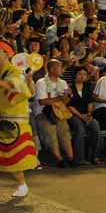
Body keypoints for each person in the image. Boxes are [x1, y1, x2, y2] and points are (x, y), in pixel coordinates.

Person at [0, 41, 37, 197]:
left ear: (6, 54)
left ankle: (22, 185)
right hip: (3, 117)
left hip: (13, 121)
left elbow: (17, 86)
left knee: (13, 158)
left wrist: (4, 84)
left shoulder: (14, 71)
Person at [33, 59, 74, 167]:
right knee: (50, 133)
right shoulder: (41, 82)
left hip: (59, 112)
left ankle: (70, 158)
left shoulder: (63, 83)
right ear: (51, 69)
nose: (62, 70)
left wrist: (68, 96)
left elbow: (65, 101)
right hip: (43, 113)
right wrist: (60, 98)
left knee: (64, 132)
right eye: (60, 67)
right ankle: (59, 159)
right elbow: (43, 101)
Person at [68, 66, 101, 165]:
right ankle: (79, 158)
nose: (82, 76)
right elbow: (68, 105)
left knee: (95, 127)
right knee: (80, 130)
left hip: (86, 114)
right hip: (73, 114)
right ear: (75, 76)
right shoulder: (70, 87)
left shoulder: (88, 87)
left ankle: (93, 156)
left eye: (84, 74)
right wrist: (80, 116)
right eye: (80, 74)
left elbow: (90, 102)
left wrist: (89, 113)